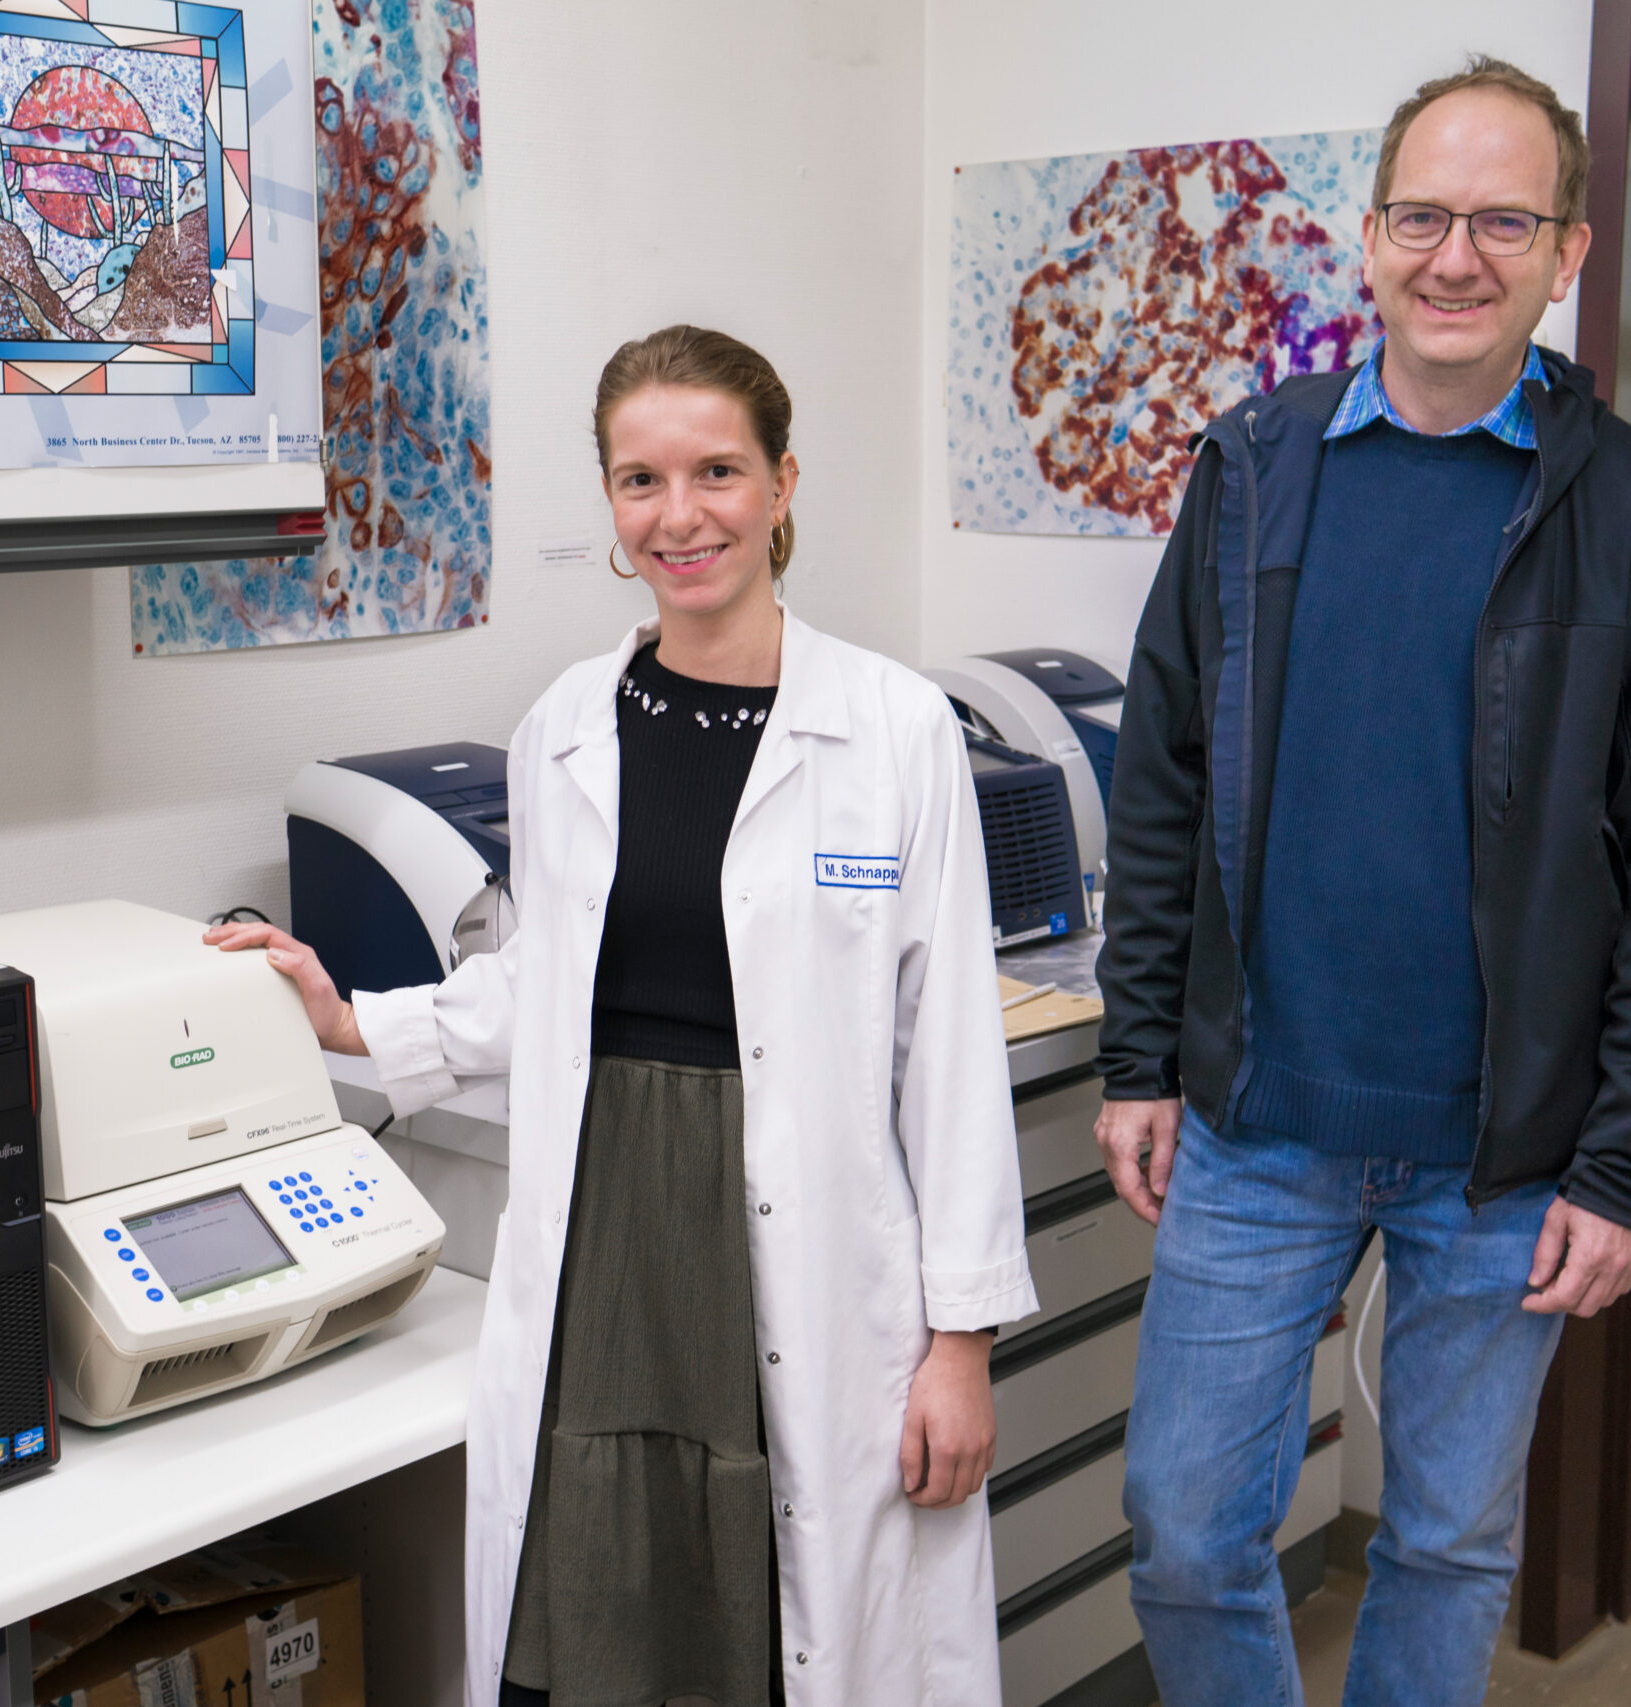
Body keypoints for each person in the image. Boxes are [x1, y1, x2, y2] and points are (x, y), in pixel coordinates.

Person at [210, 325, 1036, 1707]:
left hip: (812, 1251)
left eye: (716, 471)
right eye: (639, 480)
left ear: (782, 483)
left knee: (788, 1633)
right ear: (610, 503)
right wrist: (358, 1024)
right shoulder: (566, 726)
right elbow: (554, 975)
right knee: (613, 1614)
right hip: (612, 1239)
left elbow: (944, 1054)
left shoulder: (894, 730)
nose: (680, 515)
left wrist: (959, 1347)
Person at [1093, 58, 1631, 1705]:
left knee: (1448, 1547)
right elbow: (1161, 778)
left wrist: (1627, 1162)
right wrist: (1139, 1054)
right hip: (1258, 1127)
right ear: (1366, 236)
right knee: (1182, 1531)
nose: (1459, 256)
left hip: (1507, 1155)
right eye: (1425, 216)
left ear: (1569, 251)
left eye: (1504, 221)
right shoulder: (1251, 468)